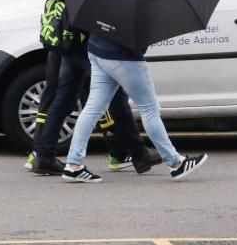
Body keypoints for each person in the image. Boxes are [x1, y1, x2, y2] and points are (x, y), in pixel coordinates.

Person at [29, 0, 162, 176]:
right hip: (86, 42)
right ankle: (139, 154)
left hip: (70, 41)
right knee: (116, 98)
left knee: (63, 100)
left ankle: (44, 156)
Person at [61, 31, 208, 183]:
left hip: (97, 48)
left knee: (93, 109)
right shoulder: (139, 6)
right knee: (149, 110)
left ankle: (73, 165)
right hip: (123, 55)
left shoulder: (107, 6)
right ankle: (176, 163)